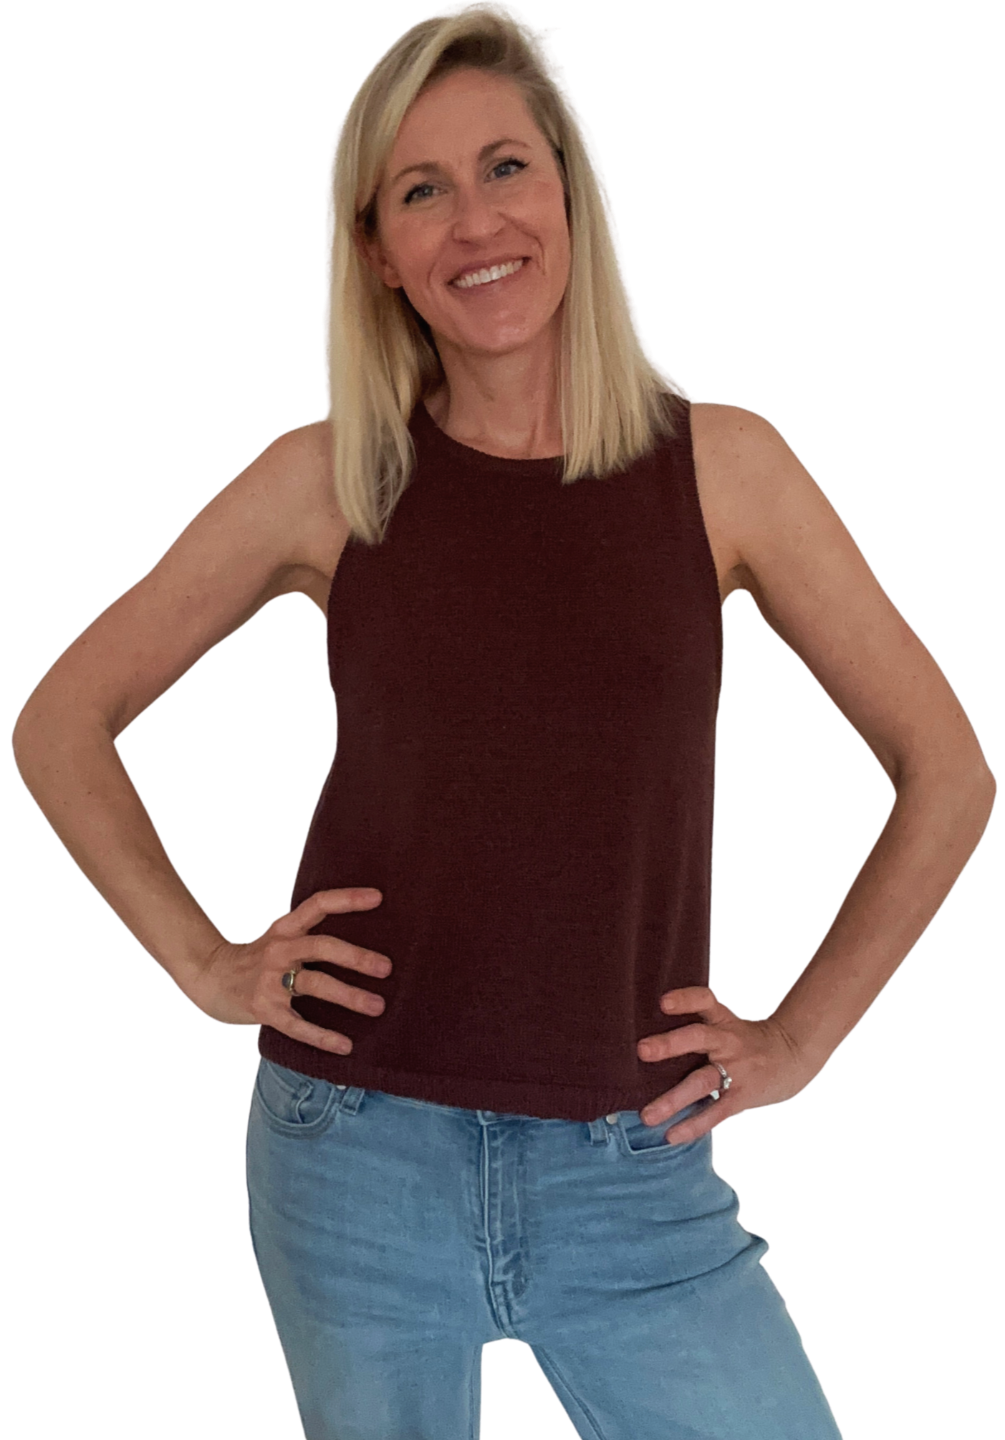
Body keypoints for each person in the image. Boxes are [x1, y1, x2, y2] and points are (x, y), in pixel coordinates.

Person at [10, 3, 996, 1438]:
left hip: (631, 1166)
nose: (476, 221)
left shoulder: (719, 470)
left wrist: (801, 1037)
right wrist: (204, 963)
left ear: (570, 189)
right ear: (378, 252)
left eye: (505, 167)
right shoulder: (329, 478)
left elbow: (945, 764)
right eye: (421, 190)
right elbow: (59, 720)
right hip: (354, 1155)